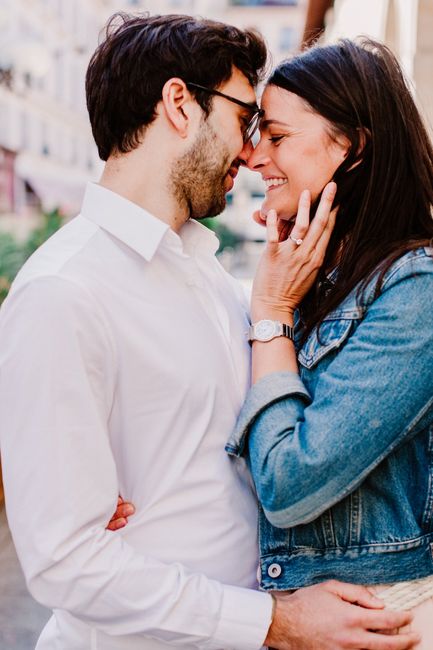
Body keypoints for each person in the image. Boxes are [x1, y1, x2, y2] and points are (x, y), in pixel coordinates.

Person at [0, 13, 416, 650]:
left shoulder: (211, 276)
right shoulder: (64, 290)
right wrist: (274, 622)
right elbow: (64, 561)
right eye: (246, 118)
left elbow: (256, 446)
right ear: (178, 104)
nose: (251, 153)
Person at [225, 37, 433, 647]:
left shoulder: (415, 290)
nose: (254, 156)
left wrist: (272, 314)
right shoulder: (320, 278)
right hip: (306, 618)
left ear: (355, 145)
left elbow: (289, 482)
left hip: (377, 621)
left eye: (278, 137)